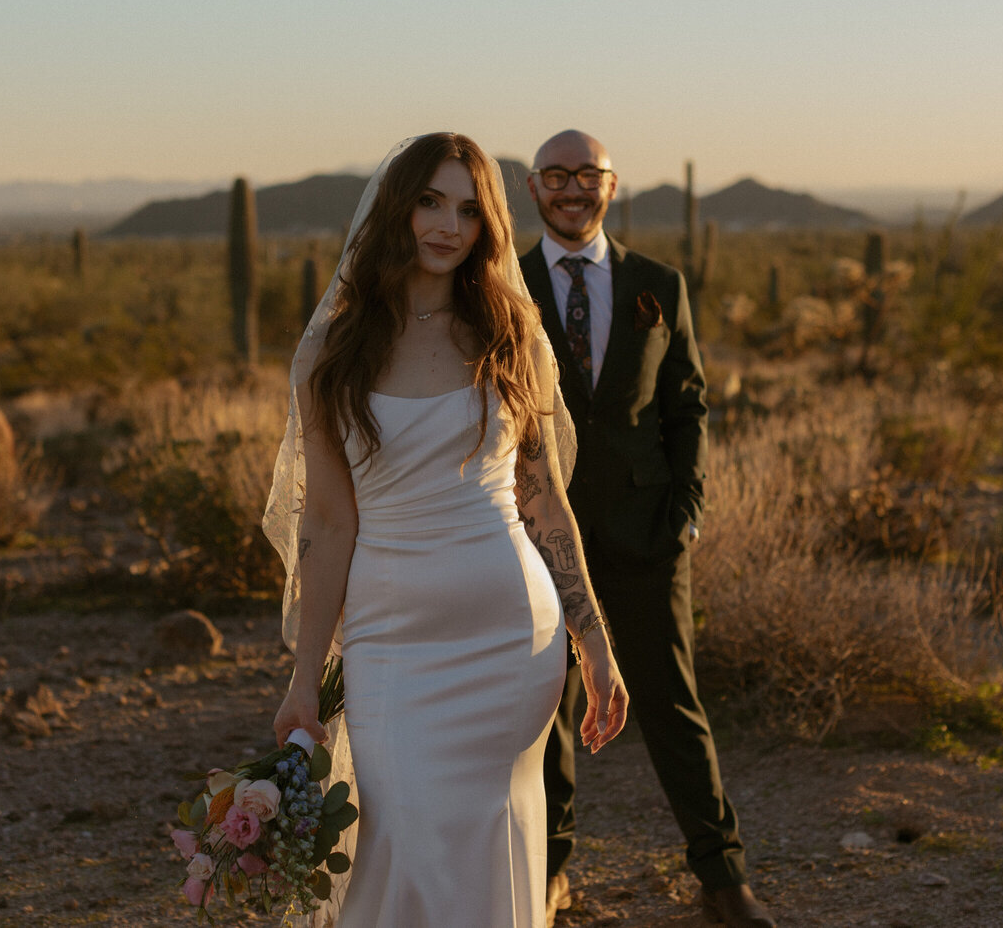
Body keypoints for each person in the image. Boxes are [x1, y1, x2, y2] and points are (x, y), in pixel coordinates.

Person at [267, 133, 629, 928]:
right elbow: (326, 525)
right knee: (397, 841)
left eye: (469, 209)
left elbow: (545, 501)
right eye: (430, 200)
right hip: (390, 642)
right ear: (397, 206)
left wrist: (593, 641)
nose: (447, 225)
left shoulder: (509, 334)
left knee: (487, 841)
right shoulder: (332, 351)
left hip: (510, 639)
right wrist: (304, 680)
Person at [521, 130, 775, 928]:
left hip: (647, 534)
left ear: (612, 184)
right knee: (544, 708)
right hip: (536, 537)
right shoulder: (503, 284)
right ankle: (552, 869)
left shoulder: (659, 283)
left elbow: (688, 404)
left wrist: (688, 512)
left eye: (586, 175)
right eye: (556, 177)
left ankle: (722, 874)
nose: (572, 189)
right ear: (533, 189)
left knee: (672, 703)